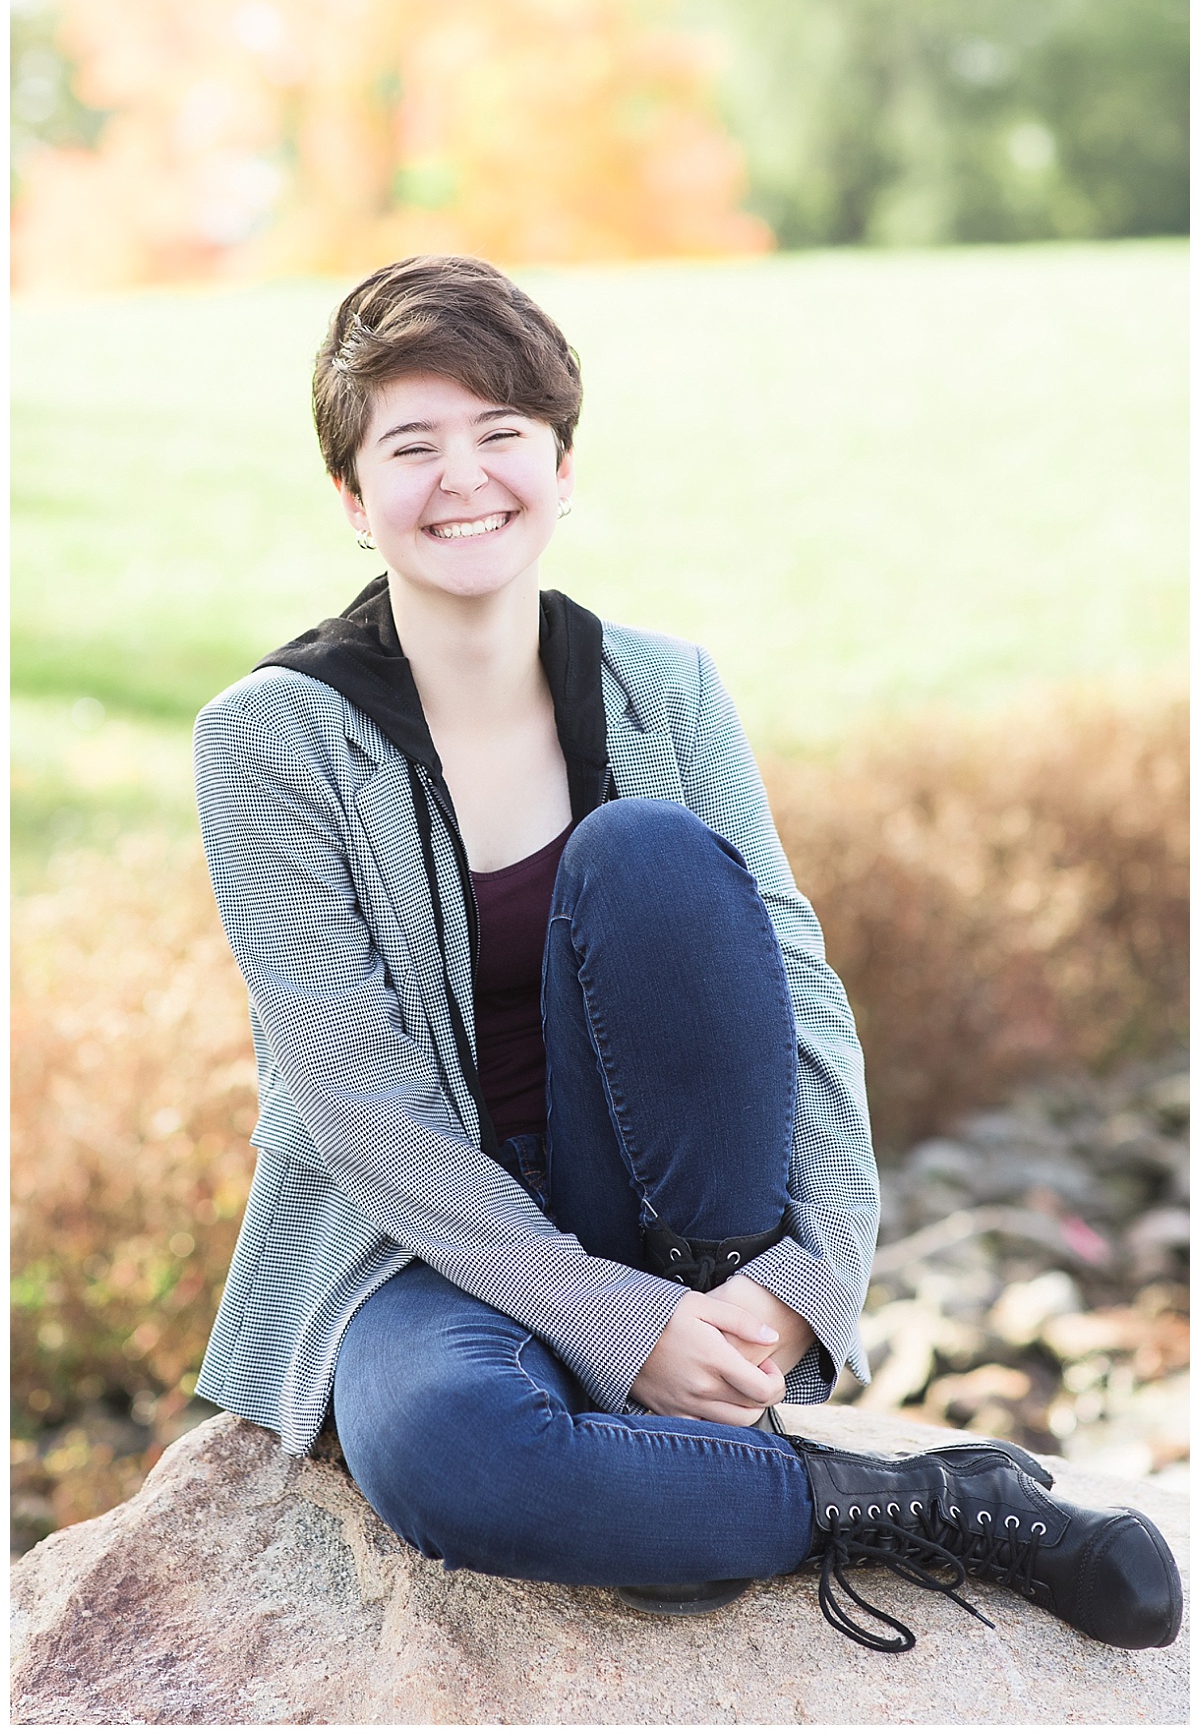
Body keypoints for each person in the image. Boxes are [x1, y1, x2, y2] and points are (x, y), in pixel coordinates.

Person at [193, 255, 1180, 1653]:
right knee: (448, 1454)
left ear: (563, 463)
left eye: (501, 435)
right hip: (410, 1239)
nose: (463, 477)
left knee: (648, 857)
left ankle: (681, 1453)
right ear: (353, 498)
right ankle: (908, 1502)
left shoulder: (670, 690)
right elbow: (359, 1110)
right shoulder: (268, 741)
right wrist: (617, 1321)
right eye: (411, 445)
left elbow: (799, 993)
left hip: (665, 1204)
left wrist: (799, 1282)